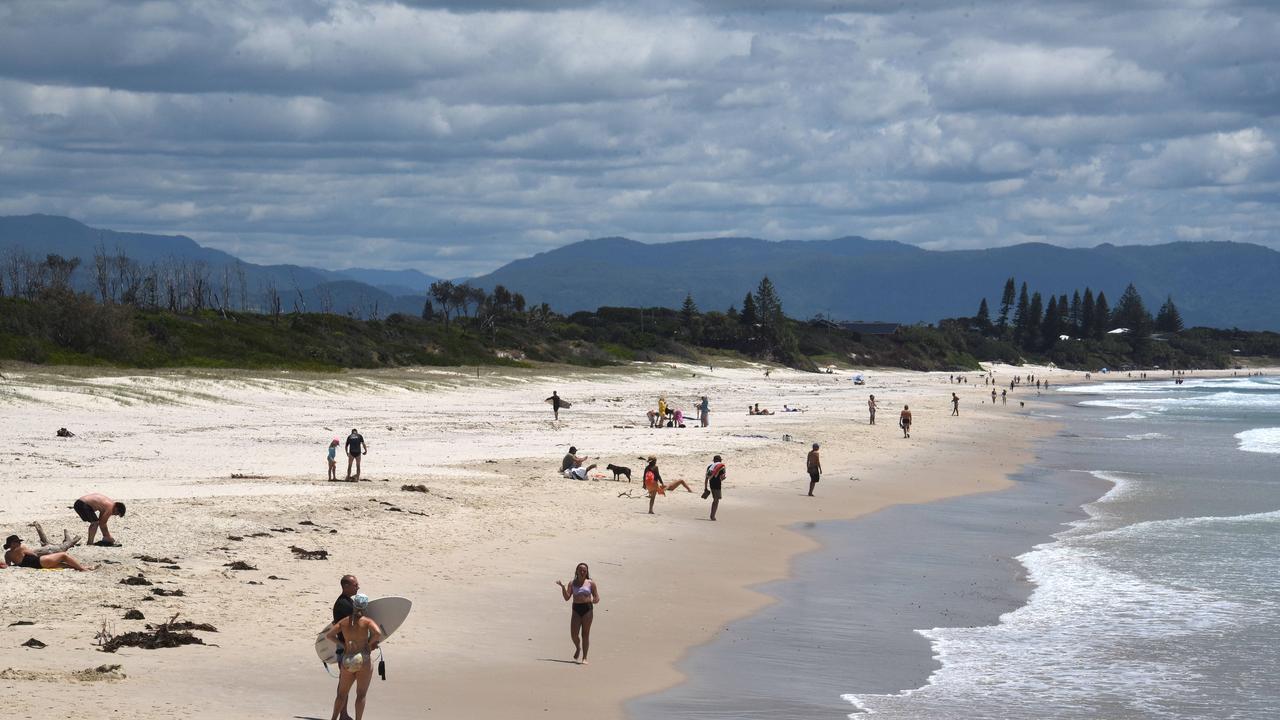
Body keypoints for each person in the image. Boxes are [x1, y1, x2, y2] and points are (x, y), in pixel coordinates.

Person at [325, 594, 382, 720]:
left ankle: (334, 718)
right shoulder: (367, 621)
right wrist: (369, 643)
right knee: (361, 695)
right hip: (363, 658)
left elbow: (329, 635)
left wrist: (343, 644)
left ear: (354, 605)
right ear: (365, 606)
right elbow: (378, 633)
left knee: (341, 694)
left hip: (348, 659)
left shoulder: (344, 621)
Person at [556, 563, 600, 664]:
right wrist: (563, 587)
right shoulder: (572, 583)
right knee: (574, 634)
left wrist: (595, 600)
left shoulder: (591, 583)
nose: (582, 572)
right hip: (576, 609)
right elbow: (567, 598)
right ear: (576, 571)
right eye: (580, 570)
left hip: (587, 609)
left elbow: (597, 597)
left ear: (587, 572)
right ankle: (578, 647)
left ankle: (584, 658)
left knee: (585, 634)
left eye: (584, 570)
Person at [4, 535, 88, 571]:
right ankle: (83, 569)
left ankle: (85, 567)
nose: (19, 543)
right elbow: (34, 555)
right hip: (40, 561)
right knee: (63, 555)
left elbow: (8, 565)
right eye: (17, 542)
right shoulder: (21, 548)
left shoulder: (7, 554)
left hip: (37, 566)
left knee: (67, 566)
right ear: (12, 543)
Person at [704, 455, 726, 521]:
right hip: (717, 485)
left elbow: (706, 478)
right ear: (720, 460)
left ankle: (712, 515)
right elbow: (722, 477)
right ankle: (712, 516)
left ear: (714, 460)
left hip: (711, 484)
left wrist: (705, 488)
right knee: (716, 500)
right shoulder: (722, 466)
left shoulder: (709, 467)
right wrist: (723, 478)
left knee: (715, 499)